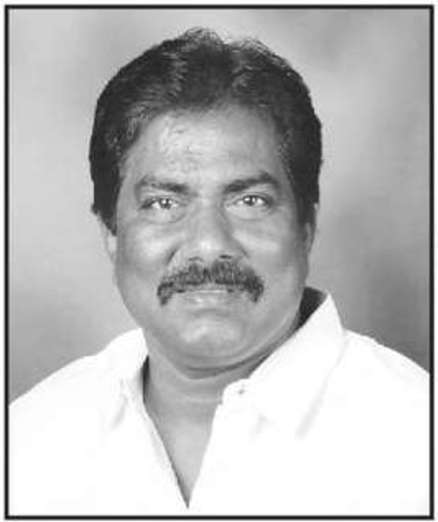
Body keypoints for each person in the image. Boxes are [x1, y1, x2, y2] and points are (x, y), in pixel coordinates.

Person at [9, 28, 429, 516]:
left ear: (306, 226)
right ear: (111, 233)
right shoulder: (29, 443)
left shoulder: (416, 440)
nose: (209, 243)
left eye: (250, 201)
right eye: (163, 203)